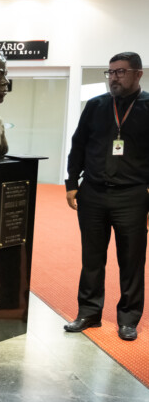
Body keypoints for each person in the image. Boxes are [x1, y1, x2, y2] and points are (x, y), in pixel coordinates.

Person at [64, 51, 149, 341]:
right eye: (110, 72)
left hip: (132, 196)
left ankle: (128, 319)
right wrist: (71, 182)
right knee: (92, 259)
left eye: (120, 72)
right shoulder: (96, 105)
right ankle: (89, 312)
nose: (114, 77)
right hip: (93, 194)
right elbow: (78, 145)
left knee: (132, 262)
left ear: (138, 74)